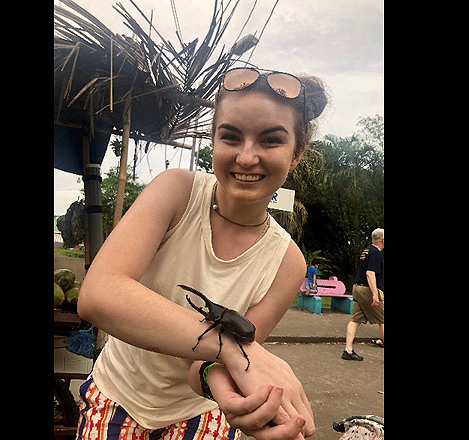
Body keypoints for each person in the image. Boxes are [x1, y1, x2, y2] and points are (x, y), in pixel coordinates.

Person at [76, 66, 328, 440]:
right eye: (230, 136)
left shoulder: (288, 264)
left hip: (199, 413)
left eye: (271, 140)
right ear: (213, 141)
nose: (246, 157)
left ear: (295, 155)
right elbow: (98, 294)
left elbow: (208, 366)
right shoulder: (176, 191)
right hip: (117, 394)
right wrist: (235, 349)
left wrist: (225, 381)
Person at [343, 228, 384, 361]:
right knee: (383, 320)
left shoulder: (366, 251)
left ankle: (348, 350)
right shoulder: (376, 253)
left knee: (355, 320)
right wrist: (375, 294)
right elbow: (370, 273)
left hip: (357, 288)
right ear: (383, 240)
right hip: (367, 289)